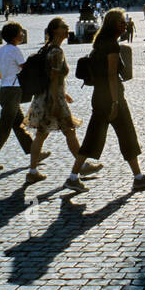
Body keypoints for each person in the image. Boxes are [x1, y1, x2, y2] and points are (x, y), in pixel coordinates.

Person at [69, 9, 145, 192]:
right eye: (121, 22)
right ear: (112, 24)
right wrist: (115, 102)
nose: (124, 24)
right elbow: (111, 75)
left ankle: (73, 177)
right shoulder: (111, 45)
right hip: (111, 96)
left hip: (100, 96)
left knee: (97, 137)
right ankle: (138, 178)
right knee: (125, 135)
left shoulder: (100, 42)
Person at [24, 18, 94, 186]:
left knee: (41, 135)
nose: (67, 28)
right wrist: (57, 101)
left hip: (43, 97)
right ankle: (80, 168)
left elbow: (51, 78)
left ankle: (32, 172)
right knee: (69, 132)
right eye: (64, 26)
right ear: (56, 31)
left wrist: (64, 93)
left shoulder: (48, 49)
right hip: (52, 100)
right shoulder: (56, 52)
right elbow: (54, 78)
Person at [0, 22, 40, 172]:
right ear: (15, 36)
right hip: (13, 91)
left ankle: (34, 152)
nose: (23, 34)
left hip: (4, 90)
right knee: (4, 127)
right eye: (21, 32)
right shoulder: (15, 50)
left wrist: (5, 78)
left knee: (18, 123)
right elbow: (25, 68)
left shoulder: (1, 50)